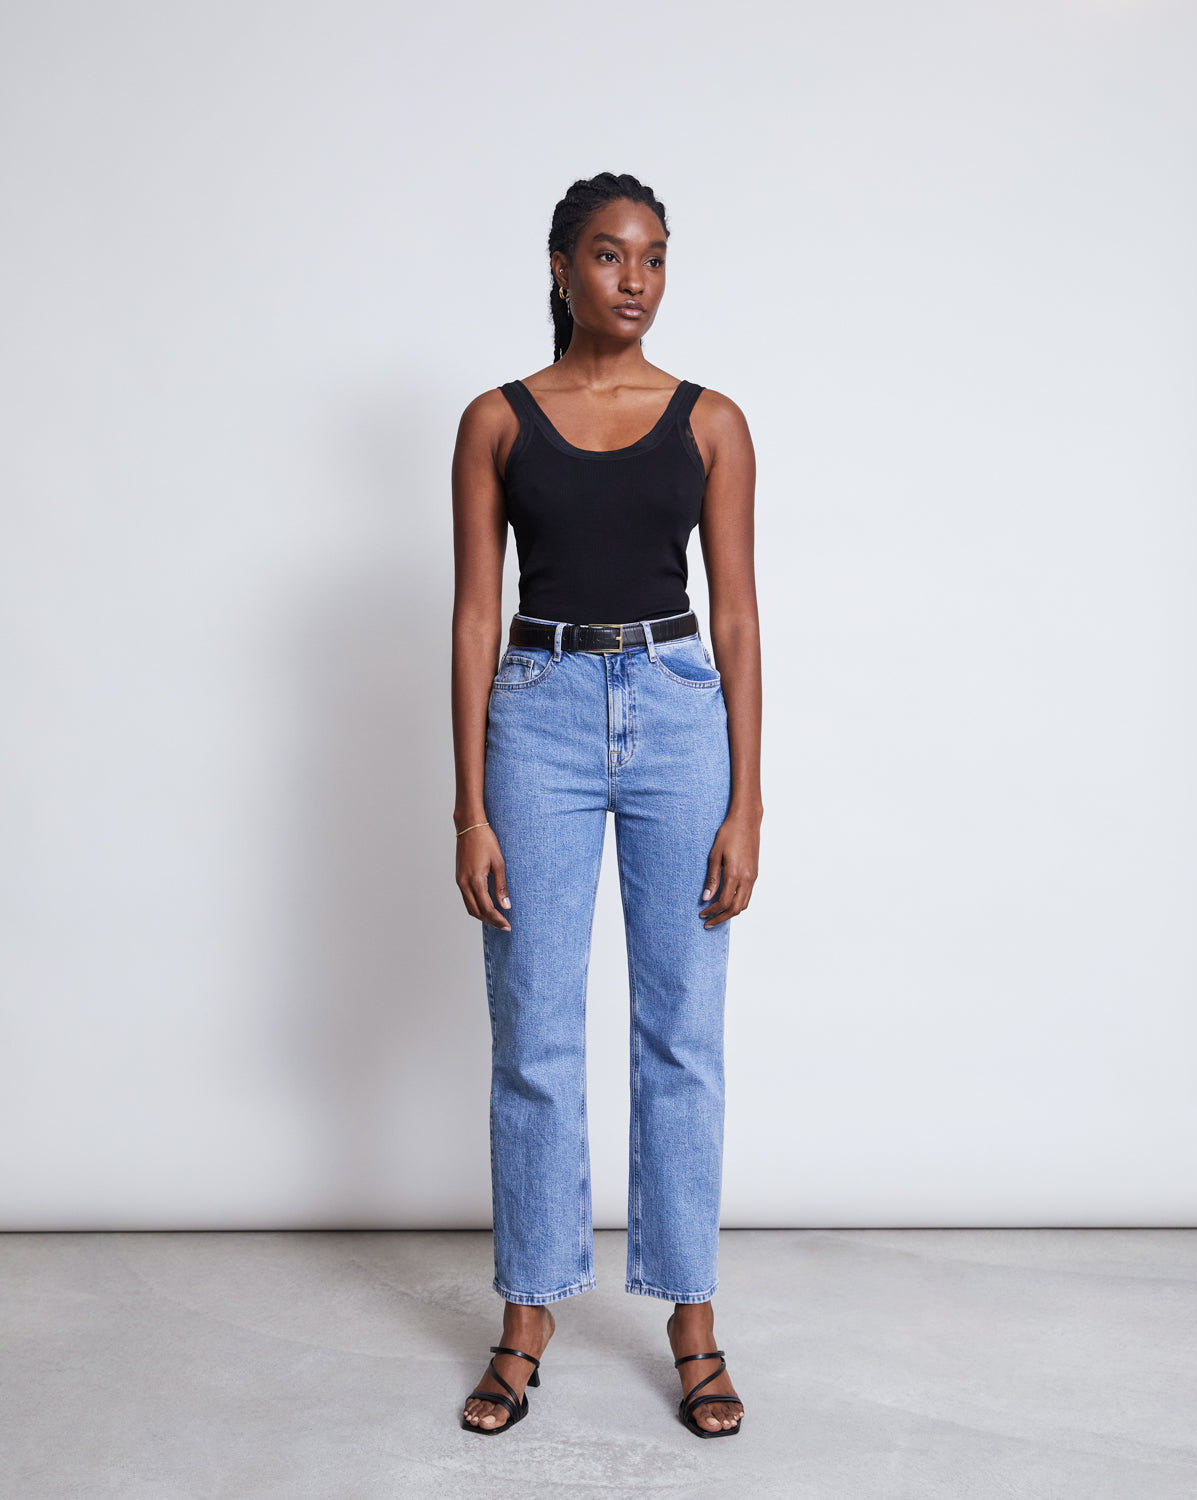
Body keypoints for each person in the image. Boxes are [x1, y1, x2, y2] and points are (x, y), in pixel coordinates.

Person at [449, 171, 762, 1438]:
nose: (633, 280)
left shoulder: (713, 422)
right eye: (608, 256)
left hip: (682, 710)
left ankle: (691, 1320)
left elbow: (737, 615)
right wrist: (467, 805)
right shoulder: (496, 421)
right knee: (533, 1028)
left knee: (682, 1029)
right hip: (540, 711)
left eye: (653, 258)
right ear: (563, 266)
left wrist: (748, 798)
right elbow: (475, 615)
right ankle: (528, 1315)